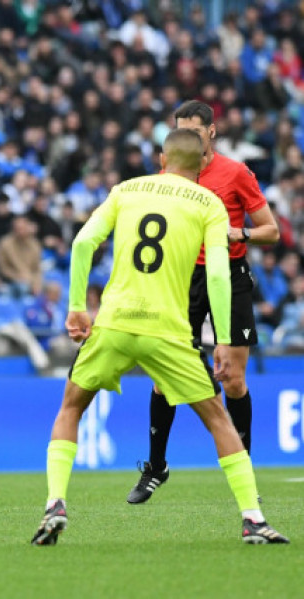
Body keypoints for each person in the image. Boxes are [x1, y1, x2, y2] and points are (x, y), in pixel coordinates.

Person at [31, 129, 288, 546]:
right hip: (167, 331)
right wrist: (222, 338)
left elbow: (82, 243)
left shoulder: (126, 190)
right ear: (201, 165)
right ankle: (253, 519)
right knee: (218, 418)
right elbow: (219, 275)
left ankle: (55, 504)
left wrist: (77, 306)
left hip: (113, 324)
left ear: (162, 159)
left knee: (71, 408)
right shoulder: (210, 203)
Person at [127, 100, 280, 504]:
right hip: (181, 278)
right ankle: (156, 467)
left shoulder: (235, 173)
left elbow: (271, 230)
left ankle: (243, 473)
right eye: (180, 132)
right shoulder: (169, 173)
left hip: (228, 275)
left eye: (194, 132)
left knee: (233, 378)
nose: (186, 139)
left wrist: (236, 234)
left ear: (211, 131)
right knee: (163, 378)